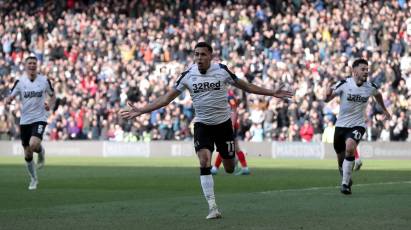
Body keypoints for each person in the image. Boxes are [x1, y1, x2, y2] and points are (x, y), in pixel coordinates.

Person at [120, 42, 293, 219]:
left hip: (224, 125)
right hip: (202, 125)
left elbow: (246, 86)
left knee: (230, 168)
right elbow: (166, 99)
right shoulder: (188, 75)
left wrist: (272, 92)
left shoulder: (222, 70)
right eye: (196, 55)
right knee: (204, 161)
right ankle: (212, 207)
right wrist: (142, 110)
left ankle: (230, 157)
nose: (199, 58)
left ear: (210, 56)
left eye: (203, 55)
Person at [324, 58, 391, 195]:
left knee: (350, 147)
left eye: (367, 69)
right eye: (363, 69)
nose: (366, 72)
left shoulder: (370, 87)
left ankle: (345, 185)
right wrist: (326, 93)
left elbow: (378, 95)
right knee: (340, 159)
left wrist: (384, 109)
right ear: (354, 71)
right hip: (341, 125)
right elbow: (327, 98)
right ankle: (346, 176)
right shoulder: (344, 84)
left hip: (358, 125)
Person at [4, 55, 56, 190]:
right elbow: (11, 95)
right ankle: (33, 178)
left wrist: (49, 105)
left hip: (39, 118)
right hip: (25, 120)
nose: (32, 65)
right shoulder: (20, 82)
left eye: (34, 63)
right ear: (25, 66)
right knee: (27, 153)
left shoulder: (44, 81)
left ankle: (40, 151)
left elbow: (53, 95)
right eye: (30, 63)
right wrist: (8, 100)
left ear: (37, 65)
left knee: (33, 144)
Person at [211, 90, 250, 176]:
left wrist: (232, 123)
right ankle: (244, 168)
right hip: (226, 123)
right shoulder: (224, 94)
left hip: (228, 124)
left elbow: (234, 108)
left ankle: (215, 169)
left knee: (226, 146)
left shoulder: (228, 95)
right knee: (229, 147)